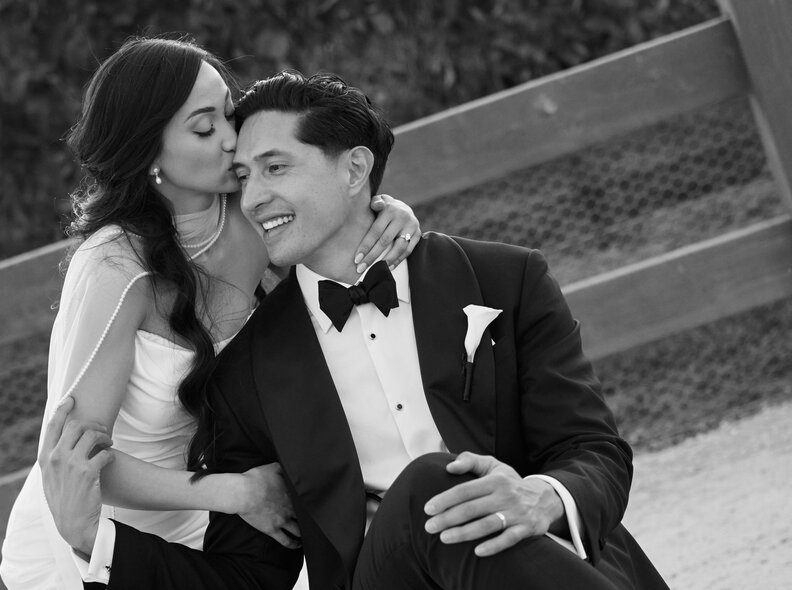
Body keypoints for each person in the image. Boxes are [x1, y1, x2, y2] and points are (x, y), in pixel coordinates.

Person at [40, 72, 669, 589]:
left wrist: (543, 498)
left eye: (276, 168)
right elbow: (244, 578)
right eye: (244, 176)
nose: (253, 197)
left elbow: (594, 450)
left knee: (482, 511)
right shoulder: (246, 370)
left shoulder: (503, 280)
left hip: (541, 561)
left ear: (354, 169)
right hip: (380, 579)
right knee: (432, 483)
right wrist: (97, 542)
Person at [0, 39, 421, 590]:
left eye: (229, 112)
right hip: (99, 536)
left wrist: (387, 211)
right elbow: (73, 461)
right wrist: (236, 492)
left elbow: (334, 218)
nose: (231, 139)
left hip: (222, 534)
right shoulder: (114, 267)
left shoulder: (253, 216)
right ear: (147, 151)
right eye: (204, 129)